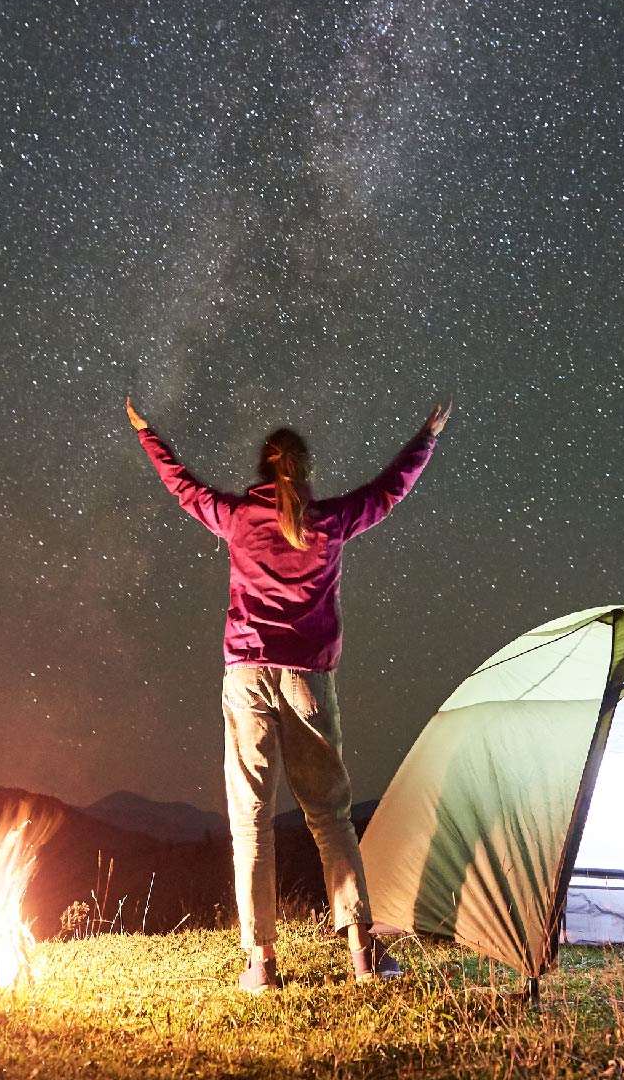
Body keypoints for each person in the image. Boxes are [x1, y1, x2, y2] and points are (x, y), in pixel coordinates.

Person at [127, 394, 451, 991]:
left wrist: (147, 433)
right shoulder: (328, 521)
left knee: (250, 819)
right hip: (308, 680)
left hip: (246, 675)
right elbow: (389, 491)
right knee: (330, 816)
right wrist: (426, 437)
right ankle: (363, 956)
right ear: (304, 472)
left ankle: (261, 964)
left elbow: (183, 487)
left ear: (263, 470)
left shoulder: (236, 517)